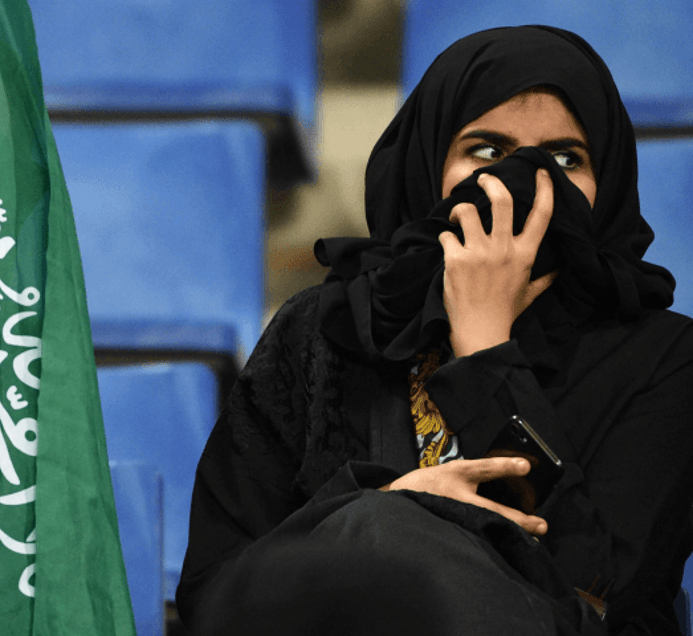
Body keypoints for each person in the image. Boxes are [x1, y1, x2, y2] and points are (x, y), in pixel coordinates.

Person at [176, 25, 693, 636]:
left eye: (564, 158)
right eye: (487, 151)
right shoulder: (320, 333)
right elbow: (217, 594)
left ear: (605, 181)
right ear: (427, 164)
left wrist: (485, 350)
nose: (521, 181)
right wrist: (386, 506)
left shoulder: (665, 357)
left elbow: (600, 596)